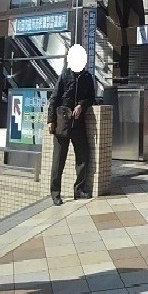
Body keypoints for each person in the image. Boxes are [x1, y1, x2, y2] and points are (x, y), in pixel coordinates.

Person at [47, 65, 95, 205]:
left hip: (78, 123)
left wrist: (81, 105)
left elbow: (91, 97)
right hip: (62, 122)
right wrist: (51, 120)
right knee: (58, 160)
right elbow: (54, 98)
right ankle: (55, 193)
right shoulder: (65, 75)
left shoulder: (87, 77)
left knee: (83, 156)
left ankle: (79, 190)